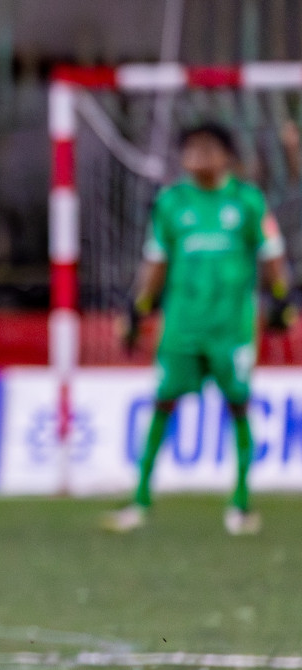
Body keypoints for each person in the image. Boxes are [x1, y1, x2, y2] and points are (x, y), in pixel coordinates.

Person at [104, 122, 295, 536]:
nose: (197, 155)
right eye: (190, 148)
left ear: (227, 155)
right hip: (182, 325)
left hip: (232, 326)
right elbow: (156, 261)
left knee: (239, 405)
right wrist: (138, 310)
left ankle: (240, 504)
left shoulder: (247, 201)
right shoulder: (172, 203)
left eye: (207, 148)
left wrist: (281, 298)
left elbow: (271, 255)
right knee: (163, 402)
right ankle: (139, 499)